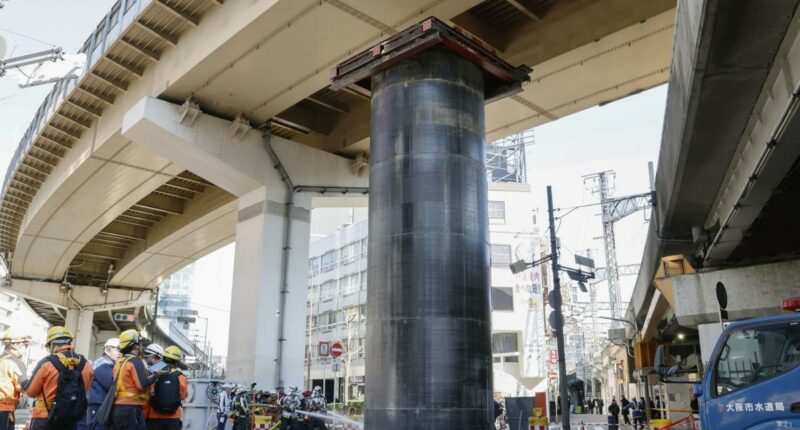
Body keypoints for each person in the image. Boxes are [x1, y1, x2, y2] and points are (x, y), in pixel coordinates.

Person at [25, 326, 94, 430]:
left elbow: (31, 392)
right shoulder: (86, 365)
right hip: (71, 419)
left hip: (45, 417)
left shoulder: (46, 363)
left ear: (52, 344)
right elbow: (84, 390)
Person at [111, 330, 160, 430]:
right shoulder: (135, 362)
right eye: (139, 343)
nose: (141, 346)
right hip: (131, 409)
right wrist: (156, 375)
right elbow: (142, 384)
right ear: (135, 346)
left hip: (118, 408)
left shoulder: (120, 362)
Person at [145, 346, 187, 430]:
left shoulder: (153, 374)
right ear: (176, 361)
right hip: (174, 418)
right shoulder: (180, 376)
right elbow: (183, 396)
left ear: (163, 358)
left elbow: (147, 393)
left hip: (154, 416)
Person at [84, 338, 120, 430]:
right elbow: (111, 384)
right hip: (98, 406)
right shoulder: (102, 363)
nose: (120, 353)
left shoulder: (111, 364)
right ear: (108, 350)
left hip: (102, 405)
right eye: (118, 349)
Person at [0, 328, 31, 430]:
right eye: (25, 345)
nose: (25, 348)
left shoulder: (2, 360)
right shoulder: (15, 362)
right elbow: (26, 387)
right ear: (17, 345)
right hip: (4, 410)